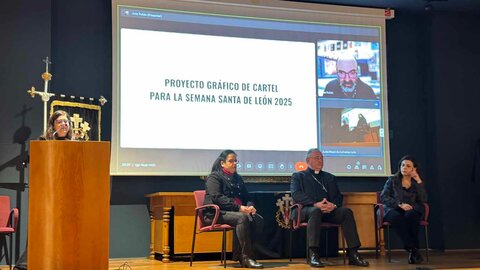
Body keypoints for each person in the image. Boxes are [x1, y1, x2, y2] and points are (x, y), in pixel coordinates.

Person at [14, 110, 75, 270]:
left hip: (68, 195)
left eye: (66, 122)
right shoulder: (42, 144)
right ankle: (25, 264)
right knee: (40, 230)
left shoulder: (76, 146)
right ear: (52, 125)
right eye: (60, 121)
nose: (64, 124)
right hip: (45, 196)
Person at [290, 148, 369, 267]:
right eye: (317, 158)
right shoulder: (298, 176)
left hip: (327, 211)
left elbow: (337, 196)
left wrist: (333, 205)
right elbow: (296, 194)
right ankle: (313, 254)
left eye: (322, 158)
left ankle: (353, 253)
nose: (320, 160)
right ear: (308, 160)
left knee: (346, 212)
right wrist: (315, 204)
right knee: (316, 211)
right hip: (305, 210)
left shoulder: (329, 177)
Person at [203, 150, 263, 269]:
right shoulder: (214, 177)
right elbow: (217, 198)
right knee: (242, 218)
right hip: (215, 214)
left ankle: (240, 255)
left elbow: (247, 197)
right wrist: (239, 208)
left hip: (233, 212)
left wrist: (250, 206)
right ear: (222, 163)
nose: (234, 163)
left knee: (258, 219)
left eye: (236, 161)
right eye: (231, 161)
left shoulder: (238, 178)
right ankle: (247, 258)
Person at [380, 155, 427, 264]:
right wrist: (400, 204)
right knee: (397, 217)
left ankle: (412, 250)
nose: (404, 168)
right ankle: (413, 249)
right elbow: (384, 196)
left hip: (411, 210)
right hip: (393, 209)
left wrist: (418, 180)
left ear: (413, 169)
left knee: (412, 216)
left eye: (408, 166)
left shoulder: (416, 183)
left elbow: (423, 199)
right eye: (403, 165)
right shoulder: (392, 180)